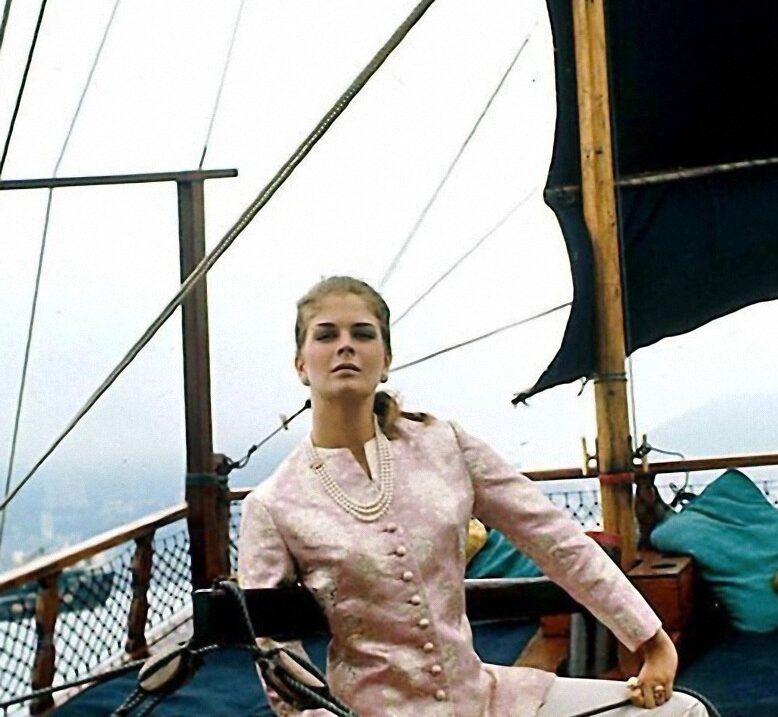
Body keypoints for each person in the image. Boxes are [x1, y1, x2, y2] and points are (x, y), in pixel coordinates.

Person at [238, 276, 708, 717]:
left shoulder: (445, 446)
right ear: (301, 365)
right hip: (365, 712)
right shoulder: (274, 504)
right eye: (326, 335)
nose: (345, 345)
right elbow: (274, 650)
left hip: (484, 699)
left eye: (362, 334)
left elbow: (554, 538)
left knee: (682, 712)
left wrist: (649, 638)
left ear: (386, 360)